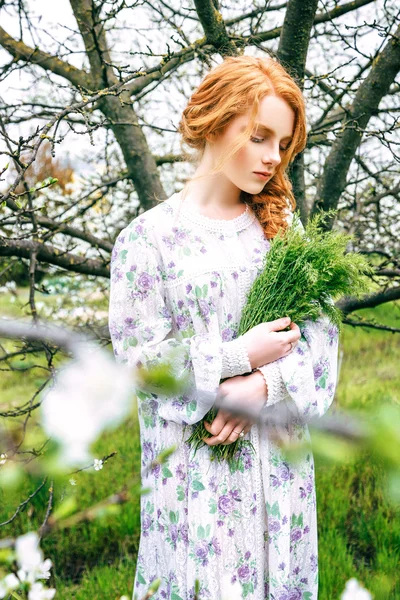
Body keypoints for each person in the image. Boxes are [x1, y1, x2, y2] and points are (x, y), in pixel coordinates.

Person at [108, 54, 339, 600]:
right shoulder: (147, 241)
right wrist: (237, 357)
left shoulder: (283, 230)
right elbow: (141, 364)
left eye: (281, 145)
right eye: (259, 137)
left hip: (280, 472)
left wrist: (262, 387)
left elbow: (324, 339)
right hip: (196, 480)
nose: (271, 158)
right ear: (216, 120)